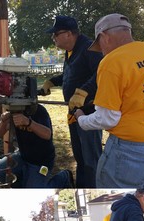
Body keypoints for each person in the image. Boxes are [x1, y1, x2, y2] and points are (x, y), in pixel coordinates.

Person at [74, 13, 144, 188]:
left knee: (114, 199)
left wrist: (81, 119)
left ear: (104, 37)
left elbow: (107, 118)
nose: (102, 52)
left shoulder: (112, 61)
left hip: (130, 152)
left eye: (100, 47)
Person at [41, 15, 103, 188]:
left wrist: (84, 92)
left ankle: (94, 189)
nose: (53, 38)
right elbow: (72, 75)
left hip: (89, 113)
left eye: (56, 34)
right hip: (74, 112)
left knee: (91, 159)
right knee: (80, 156)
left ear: (68, 34)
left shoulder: (90, 48)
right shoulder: (70, 52)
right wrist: (52, 81)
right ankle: (82, 187)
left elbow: (102, 73)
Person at [0, 106, 72, 188]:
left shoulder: (39, 110)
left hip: (41, 161)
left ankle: (64, 177)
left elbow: (47, 134)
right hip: (22, 156)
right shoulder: (14, 111)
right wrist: (3, 121)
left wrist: (28, 122)